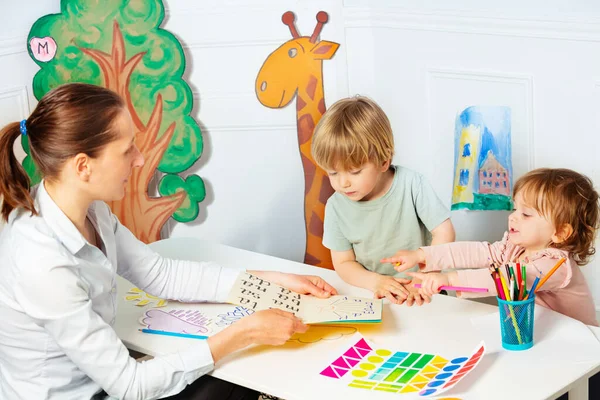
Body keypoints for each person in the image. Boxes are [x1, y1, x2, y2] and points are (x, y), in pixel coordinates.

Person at [0, 83, 338, 400]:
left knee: (234, 370)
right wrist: (242, 333)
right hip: (89, 393)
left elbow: (160, 274)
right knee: (234, 370)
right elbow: (129, 385)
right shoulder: (42, 263)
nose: (139, 159)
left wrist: (270, 280)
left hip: (100, 380)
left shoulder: (92, 211)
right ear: (83, 167)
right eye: (126, 150)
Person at [384, 168, 599, 327]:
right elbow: (476, 252)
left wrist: (449, 280)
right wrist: (422, 255)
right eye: (515, 208)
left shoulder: (556, 265)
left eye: (525, 214)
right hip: (541, 334)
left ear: (560, 232)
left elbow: (506, 279)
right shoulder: (516, 248)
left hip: (581, 348)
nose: (513, 217)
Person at [311, 95, 455, 306]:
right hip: (378, 297)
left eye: (354, 171)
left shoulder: (412, 184)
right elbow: (343, 262)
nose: (343, 183)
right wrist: (376, 282)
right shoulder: (336, 206)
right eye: (333, 173)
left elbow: (444, 232)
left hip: (428, 294)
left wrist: (426, 278)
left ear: (383, 161)